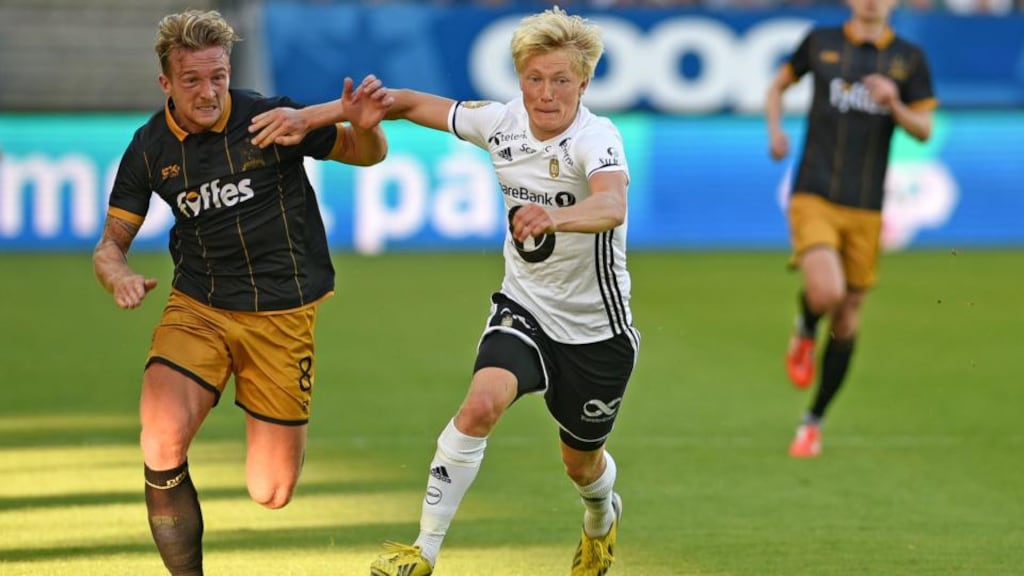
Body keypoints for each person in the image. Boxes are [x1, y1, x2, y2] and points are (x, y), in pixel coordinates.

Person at [250, 6, 639, 575]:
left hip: (597, 332)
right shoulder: (499, 122)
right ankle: (423, 551)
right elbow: (401, 102)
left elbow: (612, 204)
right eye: (534, 78)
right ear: (519, 78)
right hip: (525, 307)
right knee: (479, 406)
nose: (546, 93)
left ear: (584, 83)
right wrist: (312, 116)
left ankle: (601, 517)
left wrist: (554, 218)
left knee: (581, 465)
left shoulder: (596, 138)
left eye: (561, 80)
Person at [92, 10, 392, 575]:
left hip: (282, 315)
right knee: (159, 440)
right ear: (166, 84)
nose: (208, 93)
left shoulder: (269, 118)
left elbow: (366, 152)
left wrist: (369, 125)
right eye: (192, 81)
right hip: (198, 307)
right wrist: (120, 276)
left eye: (218, 77)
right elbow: (109, 247)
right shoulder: (150, 149)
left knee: (271, 491)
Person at [765, 0, 936, 458]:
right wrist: (775, 132)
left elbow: (924, 129)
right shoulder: (820, 42)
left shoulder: (909, 59)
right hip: (814, 192)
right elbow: (777, 87)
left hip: (867, 207)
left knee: (847, 316)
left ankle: (812, 422)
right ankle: (804, 327)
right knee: (827, 292)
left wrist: (894, 103)